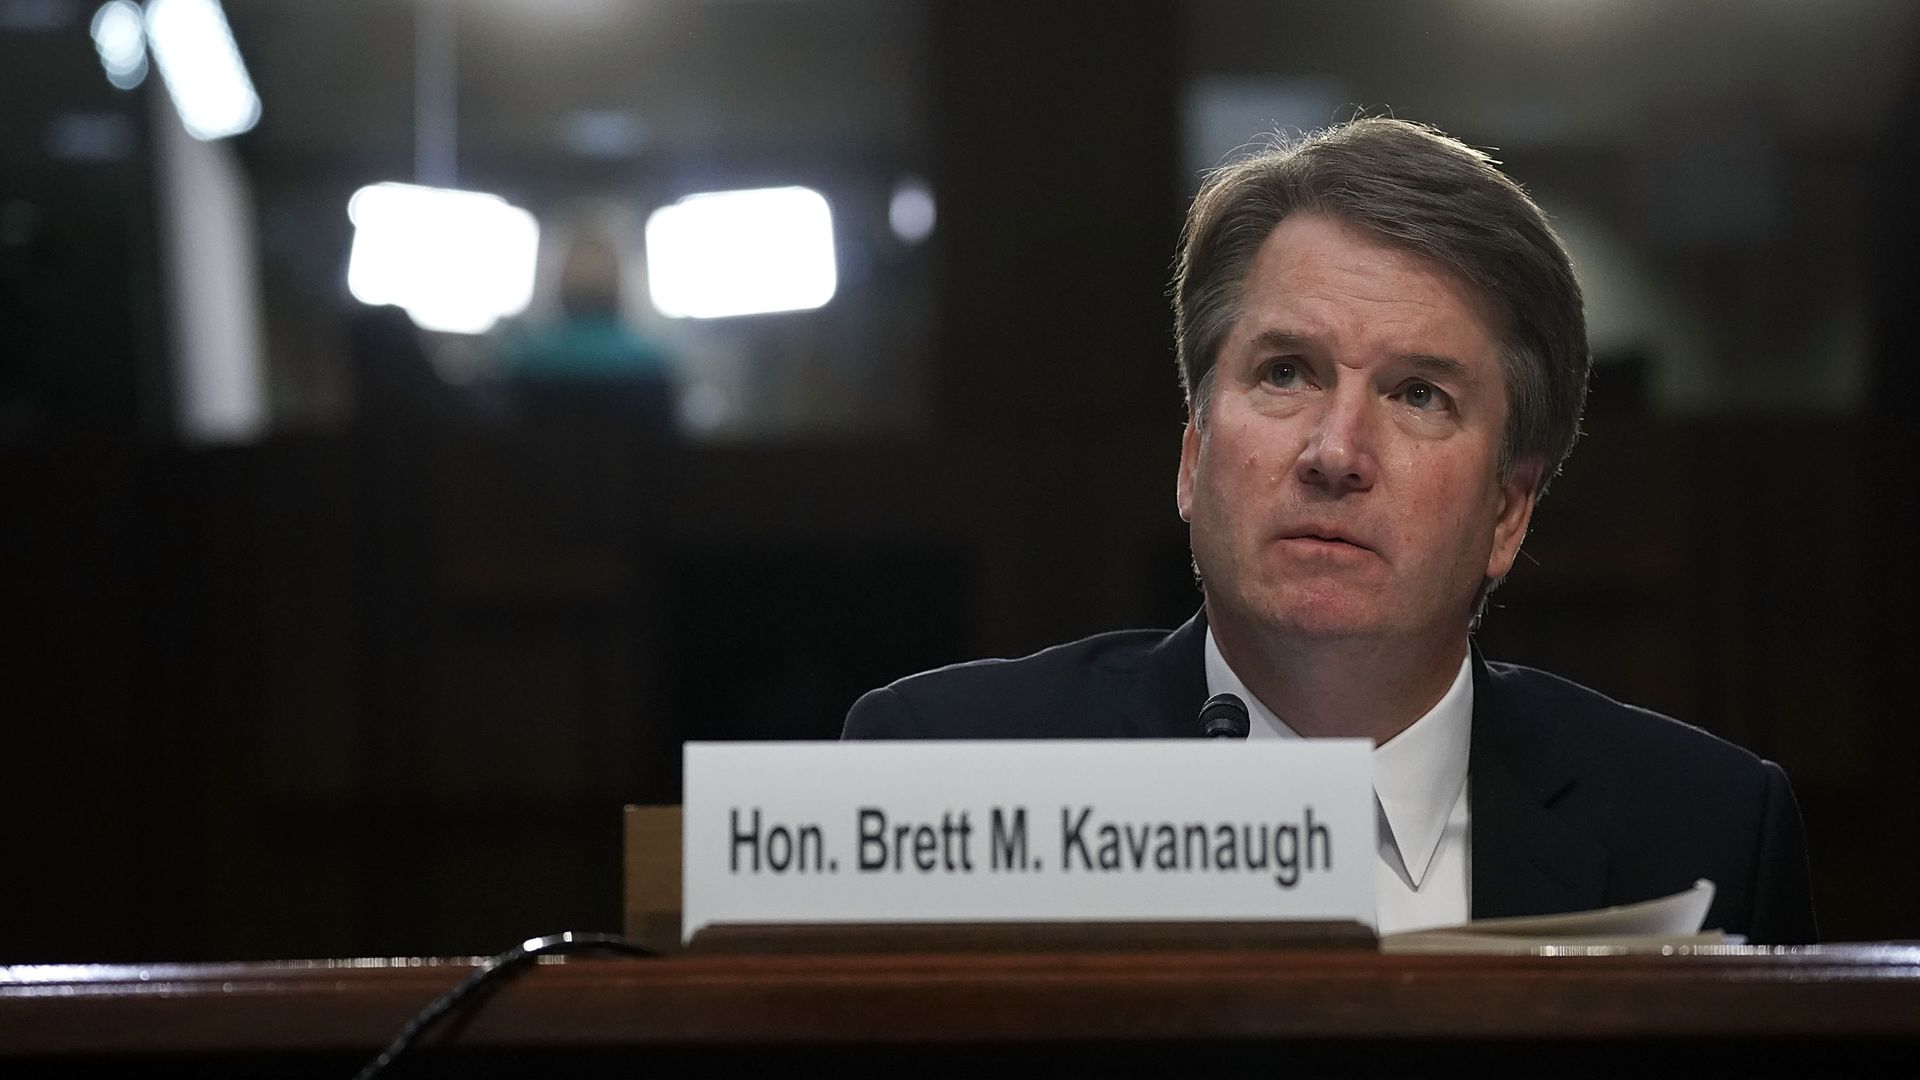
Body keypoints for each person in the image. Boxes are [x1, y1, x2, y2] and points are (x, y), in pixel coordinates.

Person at [841, 117, 1817, 944]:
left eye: (1419, 394)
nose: (1335, 449)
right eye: (1286, 373)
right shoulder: (943, 770)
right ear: (1193, 456)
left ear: (1507, 513)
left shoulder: (1708, 829)